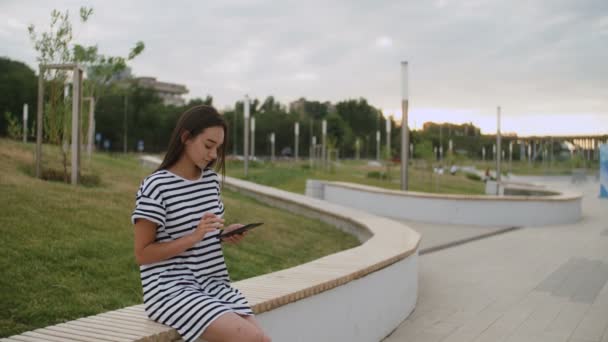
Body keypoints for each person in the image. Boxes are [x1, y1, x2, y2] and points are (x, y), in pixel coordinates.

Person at [131, 105, 271, 342]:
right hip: (170, 290)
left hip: (212, 284)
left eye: (218, 147)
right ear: (186, 137)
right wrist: (192, 238)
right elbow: (142, 254)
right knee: (251, 339)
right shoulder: (156, 187)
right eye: (208, 145)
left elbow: (204, 234)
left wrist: (224, 234)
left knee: (262, 339)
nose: (214, 155)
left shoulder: (210, 181)